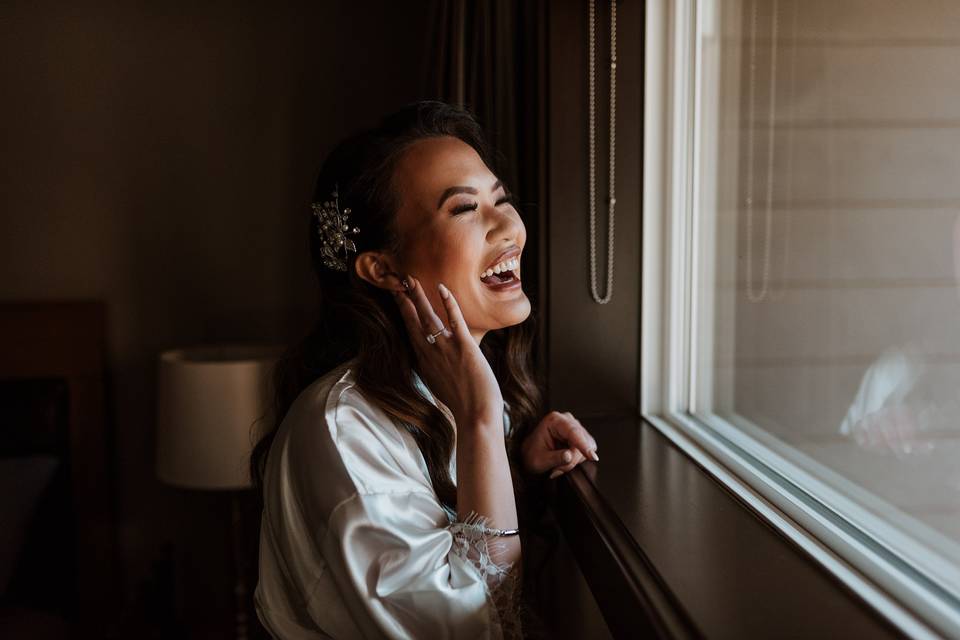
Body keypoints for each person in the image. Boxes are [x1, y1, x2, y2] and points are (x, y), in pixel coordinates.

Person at [249, 100, 599, 639]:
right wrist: (481, 417)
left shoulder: (452, 392)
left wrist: (514, 463)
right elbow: (468, 629)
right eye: (465, 209)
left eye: (501, 199)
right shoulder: (344, 429)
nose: (509, 225)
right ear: (384, 268)